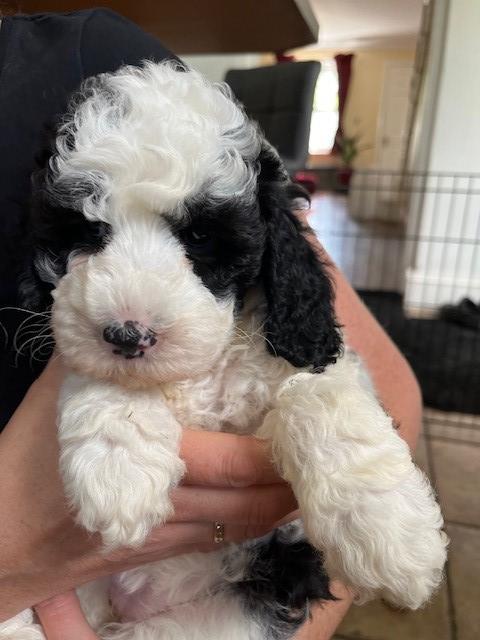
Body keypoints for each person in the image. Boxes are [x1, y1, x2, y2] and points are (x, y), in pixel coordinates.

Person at [0, 8, 423, 639]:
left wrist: (346, 458)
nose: (130, 324)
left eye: (198, 239)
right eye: (89, 234)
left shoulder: (85, 52)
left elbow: (336, 372)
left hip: (228, 606)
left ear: (268, 248)